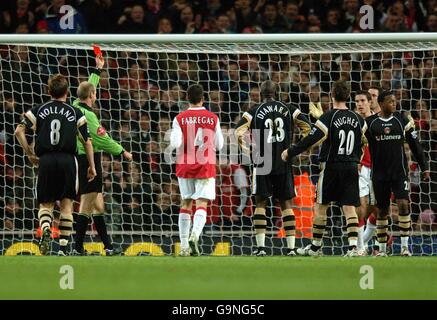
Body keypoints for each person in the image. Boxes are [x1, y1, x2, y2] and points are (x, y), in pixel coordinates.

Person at [282, 80, 367, 257]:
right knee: (349, 207)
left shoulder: (328, 117)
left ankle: (315, 247)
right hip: (351, 166)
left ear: (332, 95)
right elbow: (366, 141)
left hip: (331, 167)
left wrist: (290, 152)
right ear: (348, 96)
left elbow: (310, 140)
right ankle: (353, 248)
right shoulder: (359, 119)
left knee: (321, 206)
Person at [15, 74, 96, 255]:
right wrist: (92, 167)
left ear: (48, 91)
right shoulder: (75, 112)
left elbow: (18, 131)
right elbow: (87, 142)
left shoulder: (39, 109)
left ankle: (45, 229)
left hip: (46, 161)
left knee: (46, 205)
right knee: (67, 206)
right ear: (67, 92)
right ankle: (63, 248)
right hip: (68, 160)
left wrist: (29, 152)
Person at [235, 80, 312, 256]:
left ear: (261, 94)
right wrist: (298, 148)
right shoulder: (288, 108)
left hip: (262, 161)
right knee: (286, 203)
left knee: (260, 203)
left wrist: (247, 148)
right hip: (284, 160)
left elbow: (239, 130)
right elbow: (308, 128)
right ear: (276, 93)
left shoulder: (254, 111)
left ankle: (261, 248)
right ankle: (291, 248)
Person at [73, 56, 133, 256]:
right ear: (92, 95)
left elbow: (88, 88)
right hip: (88, 161)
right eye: (94, 92)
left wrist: (97, 71)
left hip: (81, 159)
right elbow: (103, 140)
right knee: (87, 205)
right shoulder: (89, 116)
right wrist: (122, 151)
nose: (96, 93)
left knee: (99, 206)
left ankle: (108, 247)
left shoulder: (75, 104)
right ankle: (77, 247)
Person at [365, 91, 430, 256]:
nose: (394, 104)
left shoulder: (402, 121)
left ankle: (404, 247)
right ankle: (381, 249)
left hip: (399, 172)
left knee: (403, 204)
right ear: (381, 103)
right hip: (379, 174)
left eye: (395, 101)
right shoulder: (370, 123)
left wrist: (425, 166)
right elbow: (359, 144)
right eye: (390, 101)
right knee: (382, 210)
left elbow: (415, 145)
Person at [169, 84, 224, 256]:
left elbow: (175, 144)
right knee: (202, 202)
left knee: (186, 203)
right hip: (205, 165)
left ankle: (184, 246)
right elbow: (220, 145)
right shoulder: (213, 118)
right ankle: (195, 235)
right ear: (203, 99)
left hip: (185, 165)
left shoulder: (179, 118)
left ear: (187, 99)